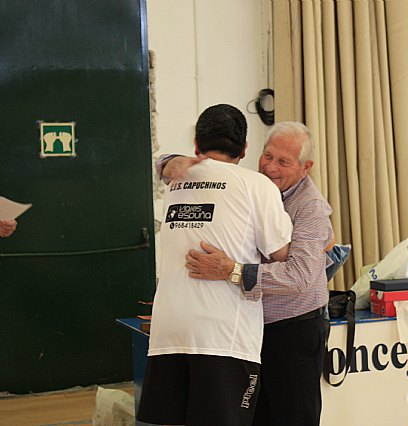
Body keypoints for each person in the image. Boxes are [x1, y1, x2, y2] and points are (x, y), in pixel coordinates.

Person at [160, 121, 334, 426]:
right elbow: (167, 164)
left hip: (293, 330)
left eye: (283, 162)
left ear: (306, 167)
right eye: (268, 156)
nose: (270, 167)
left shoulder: (311, 209)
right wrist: (169, 163)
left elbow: (299, 277)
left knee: (293, 417)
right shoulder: (250, 186)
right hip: (251, 329)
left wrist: (233, 271)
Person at [137, 105, 293, 426]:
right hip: (223, 335)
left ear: (196, 144)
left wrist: (166, 161)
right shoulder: (256, 185)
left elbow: (161, 164)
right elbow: (280, 252)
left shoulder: (176, 178)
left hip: (169, 331)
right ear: (245, 148)